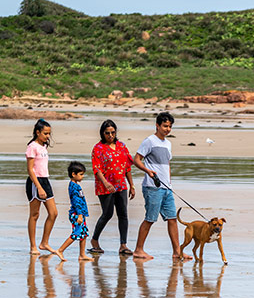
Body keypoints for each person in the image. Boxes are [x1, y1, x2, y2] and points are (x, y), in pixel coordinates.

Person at [132, 112, 191, 261]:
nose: (167, 129)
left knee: (172, 219)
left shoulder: (168, 144)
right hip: (152, 187)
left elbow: (167, 165)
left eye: (170, 126)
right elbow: (137, 160)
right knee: (150, 219)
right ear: (157, 126)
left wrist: (170, 183)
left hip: (167, 188)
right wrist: (148, 171)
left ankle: (177, 251)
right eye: (165, 126)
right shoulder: (149, 141)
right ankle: (138, 250)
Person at [89, 119, 136, 255]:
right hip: (105, 186)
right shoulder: (98, 148)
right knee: (107, 214)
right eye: (107, 133)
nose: (110, 135)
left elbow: (127, 167)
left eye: (113, 132)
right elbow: (96, 169)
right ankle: (95, 240)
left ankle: (123, 245)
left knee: (123, 214)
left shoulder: (121, 146)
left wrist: (131, 185)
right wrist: (106, 183)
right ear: (102, 133)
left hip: (121, 185)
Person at [26, 119, 58, 255]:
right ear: (37, 132)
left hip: (45, 180)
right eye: (45, 133)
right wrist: (38, 187)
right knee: (35, 214)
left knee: (53, 213)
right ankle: (33, 246)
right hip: (35, 182)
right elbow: (30, 170)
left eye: (49, 134)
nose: (47, 136)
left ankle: (44, 242)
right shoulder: (32, 147)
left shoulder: (43, 147)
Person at [56, 161, 94, 262]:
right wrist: (80, 215)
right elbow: (76, 202)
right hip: (77, 214)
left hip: (80, 214)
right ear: (73, 174)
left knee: (84, 233)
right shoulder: (74, 187)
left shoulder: (76, 185)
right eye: (81, 174)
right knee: (76, 234)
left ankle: (82, 255)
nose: (82, 176)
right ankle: (60, 250)